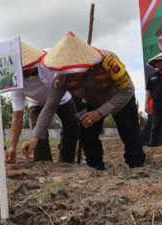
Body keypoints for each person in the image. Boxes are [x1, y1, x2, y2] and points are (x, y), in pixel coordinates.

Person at [21, 32, 146, 170]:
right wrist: (34, 139)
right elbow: (50, 107)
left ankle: (137, 167)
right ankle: (96, 169)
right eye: (66, 70)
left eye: (73, 70)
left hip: (120, 99)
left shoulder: (108, 61)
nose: (70, 75)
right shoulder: (62, 78)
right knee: (87, 136)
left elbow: (127, 90)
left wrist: (100, 113)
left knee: (129, 133)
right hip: (90, 102)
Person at [4, 42, 78, 164]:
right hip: (36, 103)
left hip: (62, 98)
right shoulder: (15, 84)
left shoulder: (49, 58)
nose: (23, 72)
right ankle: (44, 165)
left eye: (26, 68)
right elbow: (17, 117)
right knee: (39, 137)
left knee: (73, 128)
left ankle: (66, 163)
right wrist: (12, 146)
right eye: (19, 69)